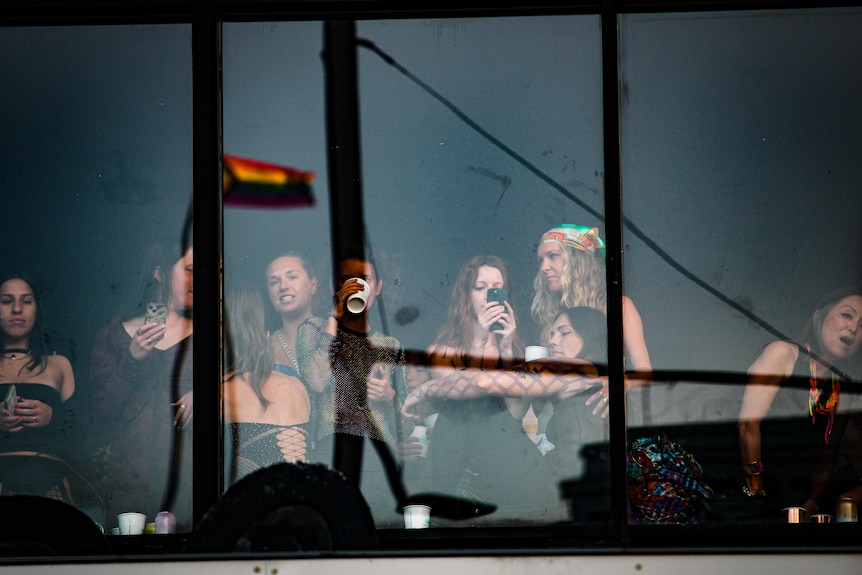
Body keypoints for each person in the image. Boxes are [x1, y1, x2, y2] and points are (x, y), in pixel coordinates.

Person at [295, 246, 406, 524]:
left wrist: (390, 397)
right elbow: (317, 380)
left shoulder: (390, 344)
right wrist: (335, 316)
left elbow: (405, 422)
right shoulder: (313, 328)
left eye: (365, 280)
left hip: (379, 454)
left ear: (378, 287)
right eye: (348, 280)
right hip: (331, 448)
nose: (357, 287)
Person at [89, 239, 194, 530]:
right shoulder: (113, 335)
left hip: (188, 485)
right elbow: (99, 414)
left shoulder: (213, 335)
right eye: (190, 270)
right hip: (126, 487)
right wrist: (133, 359)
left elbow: (242, 385)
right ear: (159, 274)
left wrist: (210, 393)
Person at [738, 287, 862, 516]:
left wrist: (813, 500)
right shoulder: (783, 353)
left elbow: (828, 456)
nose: (853, 328)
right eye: (846, 315)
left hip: (792, 500)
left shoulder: (843, 388)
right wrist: (755, 492)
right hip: (747, 490)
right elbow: (747, 425)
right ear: (819, 317)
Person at [532, 224, 652, 408]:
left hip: (608, 420)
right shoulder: (551, 321)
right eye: (540, 260)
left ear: (577, 260)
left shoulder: (618, 308)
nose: (544, 267)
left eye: (553, 256)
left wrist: (620, 383)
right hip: (564, 423)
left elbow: (645, 374)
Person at [223, 283, 310, 485]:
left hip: (254, 510)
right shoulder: (297, 387)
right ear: (267, 335)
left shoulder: (222, 393)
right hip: (302, 508)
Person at [0, 274, 77, 503]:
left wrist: (52, 415)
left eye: (26, 300)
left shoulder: (58, 364)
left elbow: (82, 432)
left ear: (37, 308)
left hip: (48, 474)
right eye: (6, 300)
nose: (16, 309)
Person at [265, 253, 320, 444]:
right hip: (284, 449)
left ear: (313, 285)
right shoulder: (263, 347)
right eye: (274, 281)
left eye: (292, 276)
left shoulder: (336, 338)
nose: (283, 286)